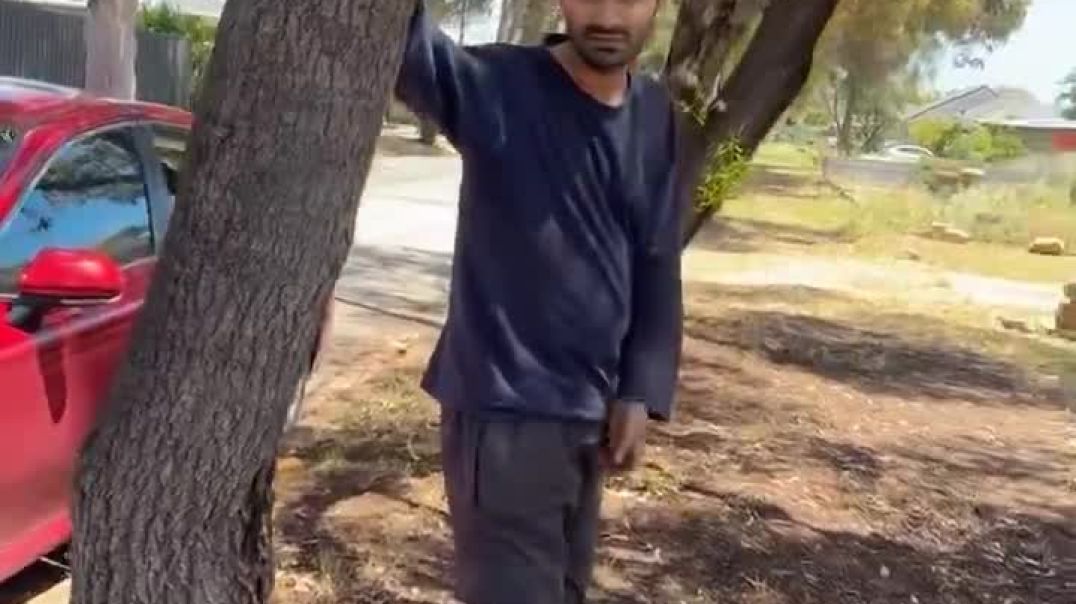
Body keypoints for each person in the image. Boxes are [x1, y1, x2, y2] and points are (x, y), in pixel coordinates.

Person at [395, 0, 683, 601]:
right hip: (506, 414)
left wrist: (639, 388)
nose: (608, 17)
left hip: (590, 417)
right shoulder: (498, 86)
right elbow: (396, 33)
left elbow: (656, 259)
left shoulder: (653, 114)